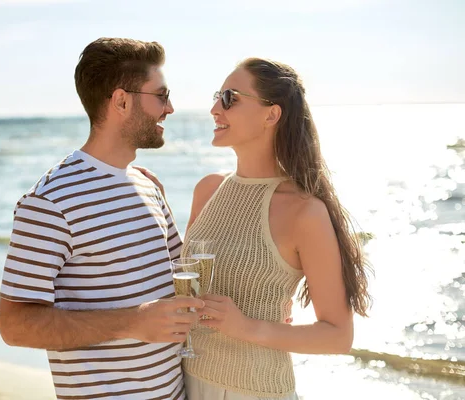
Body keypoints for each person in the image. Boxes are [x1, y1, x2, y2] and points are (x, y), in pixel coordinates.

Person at [147, 58, 373, 400]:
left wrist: (246, 327)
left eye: (229, 98)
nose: (213, 109)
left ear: (271, 114)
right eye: (216, 97)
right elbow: (185, 283)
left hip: (256, 391)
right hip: (186, 383)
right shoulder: (207, 189)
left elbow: (338, 337)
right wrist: (153, 202)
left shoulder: (304, 212)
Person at [0, 37, 203, 400]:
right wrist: (133, 321)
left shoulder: (148, 184)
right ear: (121, 101)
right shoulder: (49, 201)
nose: (170, 107)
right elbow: (15, 326)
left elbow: (182, 278)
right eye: (161, 94)